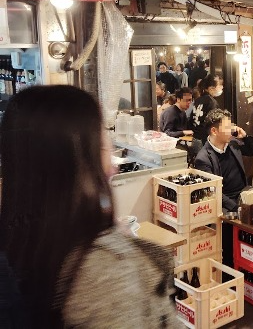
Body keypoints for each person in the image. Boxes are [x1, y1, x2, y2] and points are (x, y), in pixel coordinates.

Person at [0, 86, 177, 327]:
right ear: (72, 164)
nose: (112, 166)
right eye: (102, 146)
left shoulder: (21, 246)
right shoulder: (103, 270)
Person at [194, 108, 253, 266]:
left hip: (242, 194)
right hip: (223, 202)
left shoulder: (233, 144)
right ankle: (231, 267)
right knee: (230, 228)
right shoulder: (203, 158)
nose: (232, 129)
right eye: (227, 127)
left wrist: (245, 136)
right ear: (214, 131)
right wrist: (237, 207)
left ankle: (251, 263)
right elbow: (213, 192)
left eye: (232, 125)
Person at [191, 74, 222, 142]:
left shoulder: (198, 100)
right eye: (219, 85)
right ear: (211, 89)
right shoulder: (212, 102)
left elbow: (191, 119)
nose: (221, 87)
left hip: (195, 137)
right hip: (205, 139)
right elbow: (214, 123)